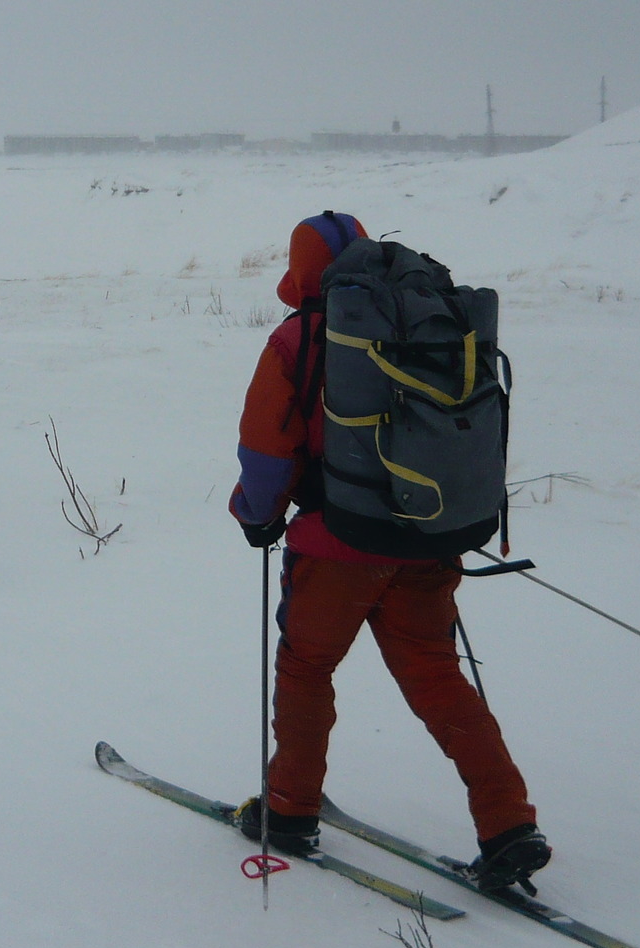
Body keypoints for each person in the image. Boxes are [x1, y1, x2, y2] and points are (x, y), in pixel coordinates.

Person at [227, 211, 550, 893]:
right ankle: (509, 823)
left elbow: (265, 448)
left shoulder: (300, 340)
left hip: (337, 546)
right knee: (435, 673)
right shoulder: (425, 329)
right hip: (429, 533)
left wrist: (256, 516)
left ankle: (288, 812)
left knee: (307, 666)